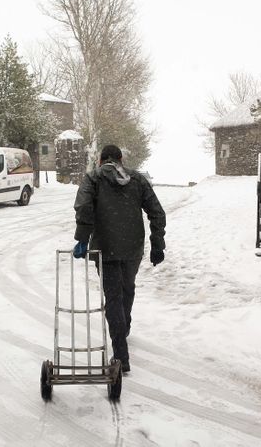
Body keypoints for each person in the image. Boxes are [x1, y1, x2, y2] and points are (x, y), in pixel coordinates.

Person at [72, 145, 166, 374]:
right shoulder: (137, 179)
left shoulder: (93, 178)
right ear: (121, 159)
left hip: (105, 247)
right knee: (127, 288)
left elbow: (84, 207)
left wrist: (83, 238)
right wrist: (157, 245)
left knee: (113, 297)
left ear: (100, 159)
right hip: (133, 246)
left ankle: (121, 355)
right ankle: (123, 329)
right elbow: (157, 212)